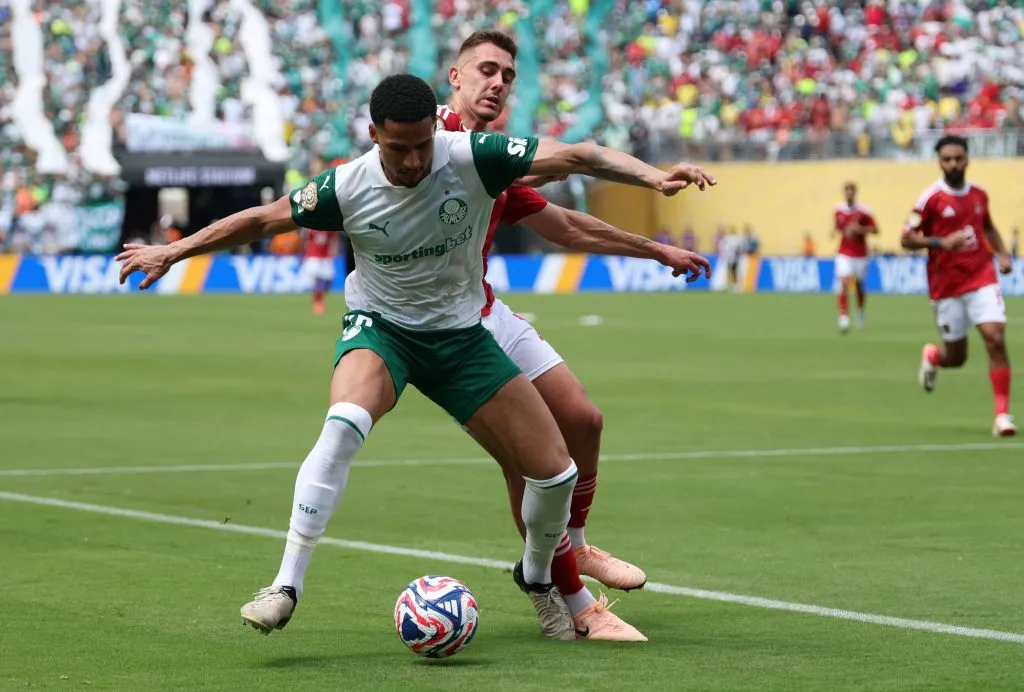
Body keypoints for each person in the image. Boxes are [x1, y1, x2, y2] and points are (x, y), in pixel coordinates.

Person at [117, 73, 715, 641]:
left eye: (422, 145)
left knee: (556, 474)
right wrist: (174, 252)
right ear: (374, 134)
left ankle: (537, 574)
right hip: (383, 331)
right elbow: (261, 219)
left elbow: (581, 155)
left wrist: (655, 178)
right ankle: (285, 585)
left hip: (461, 338)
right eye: (397, 148)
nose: (412, 161)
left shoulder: (474, 157)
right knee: (343, 424)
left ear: (436, 129)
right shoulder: (346, 186)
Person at [400, 29, 713, 642]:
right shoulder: (423, 142)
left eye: (507, 76)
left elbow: (565, 225)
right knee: (529, 463)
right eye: (486, 70)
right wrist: (653, 179)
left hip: (484, 308)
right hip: (437, 333)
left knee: (583, 420)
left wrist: (656, 250)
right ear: (455, 77)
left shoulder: (488, 158)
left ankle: (573, 544)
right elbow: (576, 157)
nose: (497, 83)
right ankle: (568, 602)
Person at [903, 134, 1016, 437]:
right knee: (956, 357)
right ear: (939, 162)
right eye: (947, 159)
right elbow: (906, 238)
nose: (953, 164)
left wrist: (1002, 255)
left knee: (995, 338)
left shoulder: (979, 195)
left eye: (958, 158)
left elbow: (987, 226)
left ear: (967, 159)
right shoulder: (930, 199)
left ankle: (1002, 416)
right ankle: (933, 357)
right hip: (946, 286)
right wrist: (940, 242)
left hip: (981, 277)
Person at [834, 182, 878, 333]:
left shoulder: (864, 211)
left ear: (855, 193)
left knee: (859, 285)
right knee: (843, 281)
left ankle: (860, 312)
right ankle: (843, 316)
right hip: (844, 253)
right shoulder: (838, 210)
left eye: (851, 191)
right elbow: (838, 227)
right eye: (846, 191)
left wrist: (860, 229)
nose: (849, 194)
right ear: (844, 193)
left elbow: (875, 229)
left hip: (860, 254)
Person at [302, 228, 339, 315]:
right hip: (313, 257)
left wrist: (334, 249)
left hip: (326, 257)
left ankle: (320, 297)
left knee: (329, 280)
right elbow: (305, 239)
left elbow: (334, 238)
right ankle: (318, 302)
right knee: (315, 280)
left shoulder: (329, 228)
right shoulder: (311, 228)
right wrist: (305, 252)